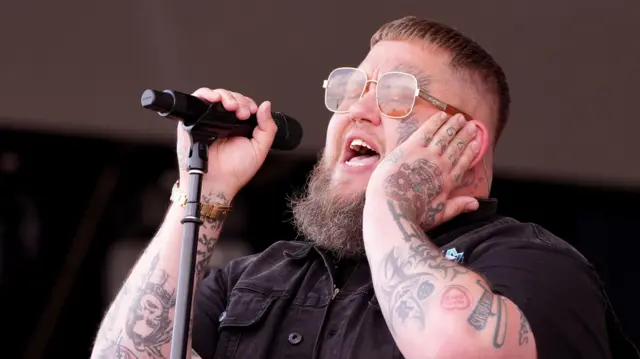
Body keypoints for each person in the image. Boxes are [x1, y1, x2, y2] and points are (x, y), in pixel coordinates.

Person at [91, 16, 637, 359]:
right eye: (351, 88)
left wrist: (390, 201)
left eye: (397, 94)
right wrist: (202, 195)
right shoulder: (254, 279)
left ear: (466, 143)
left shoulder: (532, 266)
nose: (357, 108)